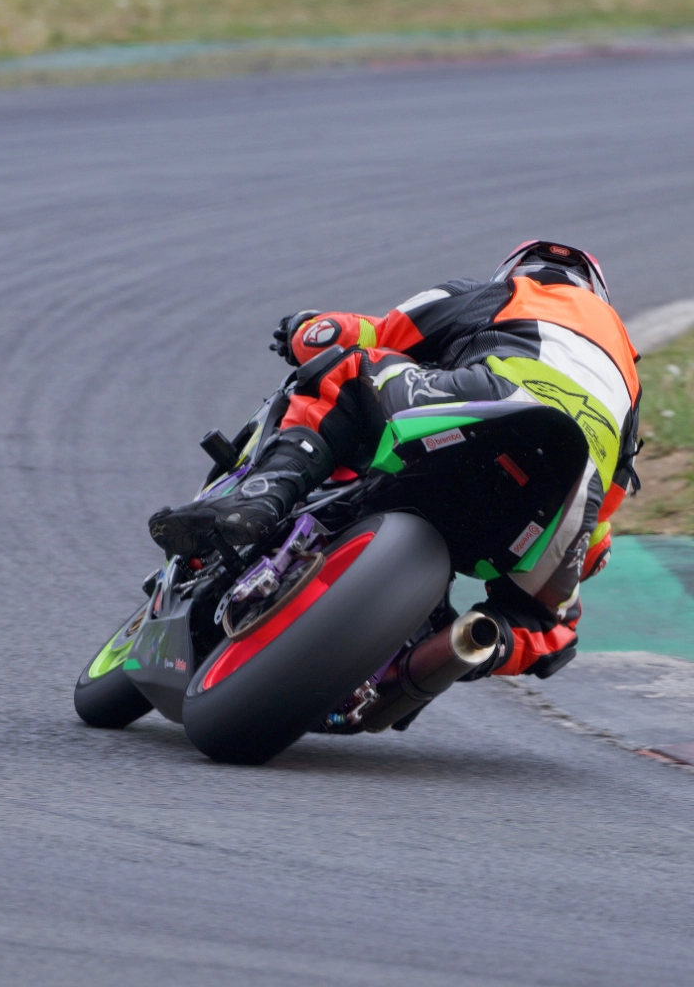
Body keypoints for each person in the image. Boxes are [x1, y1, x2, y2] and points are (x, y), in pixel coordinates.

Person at [149, 240, 640, 680]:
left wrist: (304, 330)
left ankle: (259, 499)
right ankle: (467, 646)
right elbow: (608, 507)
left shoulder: (507, 293)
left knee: (345, 375)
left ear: (516, 270)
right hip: (570, 492)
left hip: (492, 403)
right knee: (548, 625)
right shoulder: (631, 387)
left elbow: (378, 333)